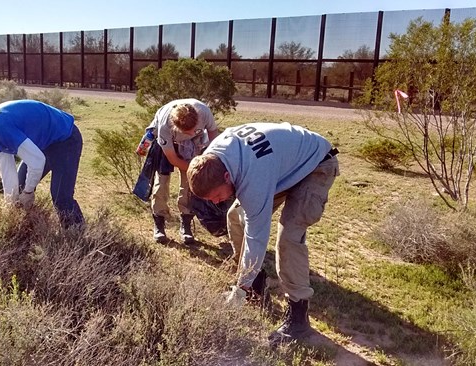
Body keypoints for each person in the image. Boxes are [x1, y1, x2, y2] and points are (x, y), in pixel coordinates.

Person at [187, 122, 339, 343]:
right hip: (282, 166)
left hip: (316, 165)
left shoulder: (253, 178)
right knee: (235, 217)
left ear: (227, 177)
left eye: (217, 195)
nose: (216, 202)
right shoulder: (212, 157)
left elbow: (257, 236)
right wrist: (247, 279)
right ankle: (254, 284)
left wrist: (238, 288)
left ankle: (298, 318)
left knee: (288, 238)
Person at [0, 99, 84, 227]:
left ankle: (78, 238)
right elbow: (7, 171)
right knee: (20, 187)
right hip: (44, 144)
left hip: (65, 139)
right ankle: (28, 228)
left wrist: (29, 192)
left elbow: (37, 161)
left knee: (60, 196)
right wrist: (9, 206)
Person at [144, 98, 219, 244]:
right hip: (168, 146)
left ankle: (186, 225)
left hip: (195, 145)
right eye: (187, 131)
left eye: (194, 129)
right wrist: (193, 168)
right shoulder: (165, 126)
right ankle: (159, 224)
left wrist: (205, 161)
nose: (191, 133)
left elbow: (213, 136)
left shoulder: (204, 112)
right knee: (161, 184)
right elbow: (173, 159)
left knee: (189, 185)